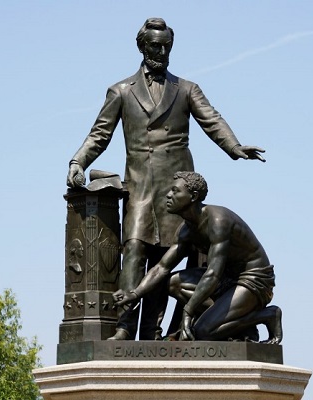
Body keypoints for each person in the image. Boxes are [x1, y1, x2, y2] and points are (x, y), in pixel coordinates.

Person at [67, 17, 266, 341]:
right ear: (142, 47)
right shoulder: (121, 91)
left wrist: (234, 146)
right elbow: (99, 134)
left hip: (177, 189)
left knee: (165, 260)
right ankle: (124, 326)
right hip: (141, 188)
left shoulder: (186, 89)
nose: (161, 52)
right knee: (133, 250)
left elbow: (212, 119)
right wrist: (78, 161)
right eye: (155, 46)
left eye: (166, 46)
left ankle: (152, 333)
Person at [113, 172, 282, 343]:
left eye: (175, 191)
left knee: (203, 332)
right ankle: (227, 319)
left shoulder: (218, 220)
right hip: (226, 280)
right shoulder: (186, 229)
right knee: (173, 283)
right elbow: (161, 268)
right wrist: (134, 293)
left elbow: (213, 274)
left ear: (193, 196)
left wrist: (188, 311)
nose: (168, 195)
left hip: (253, 281)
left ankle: (266, 315)